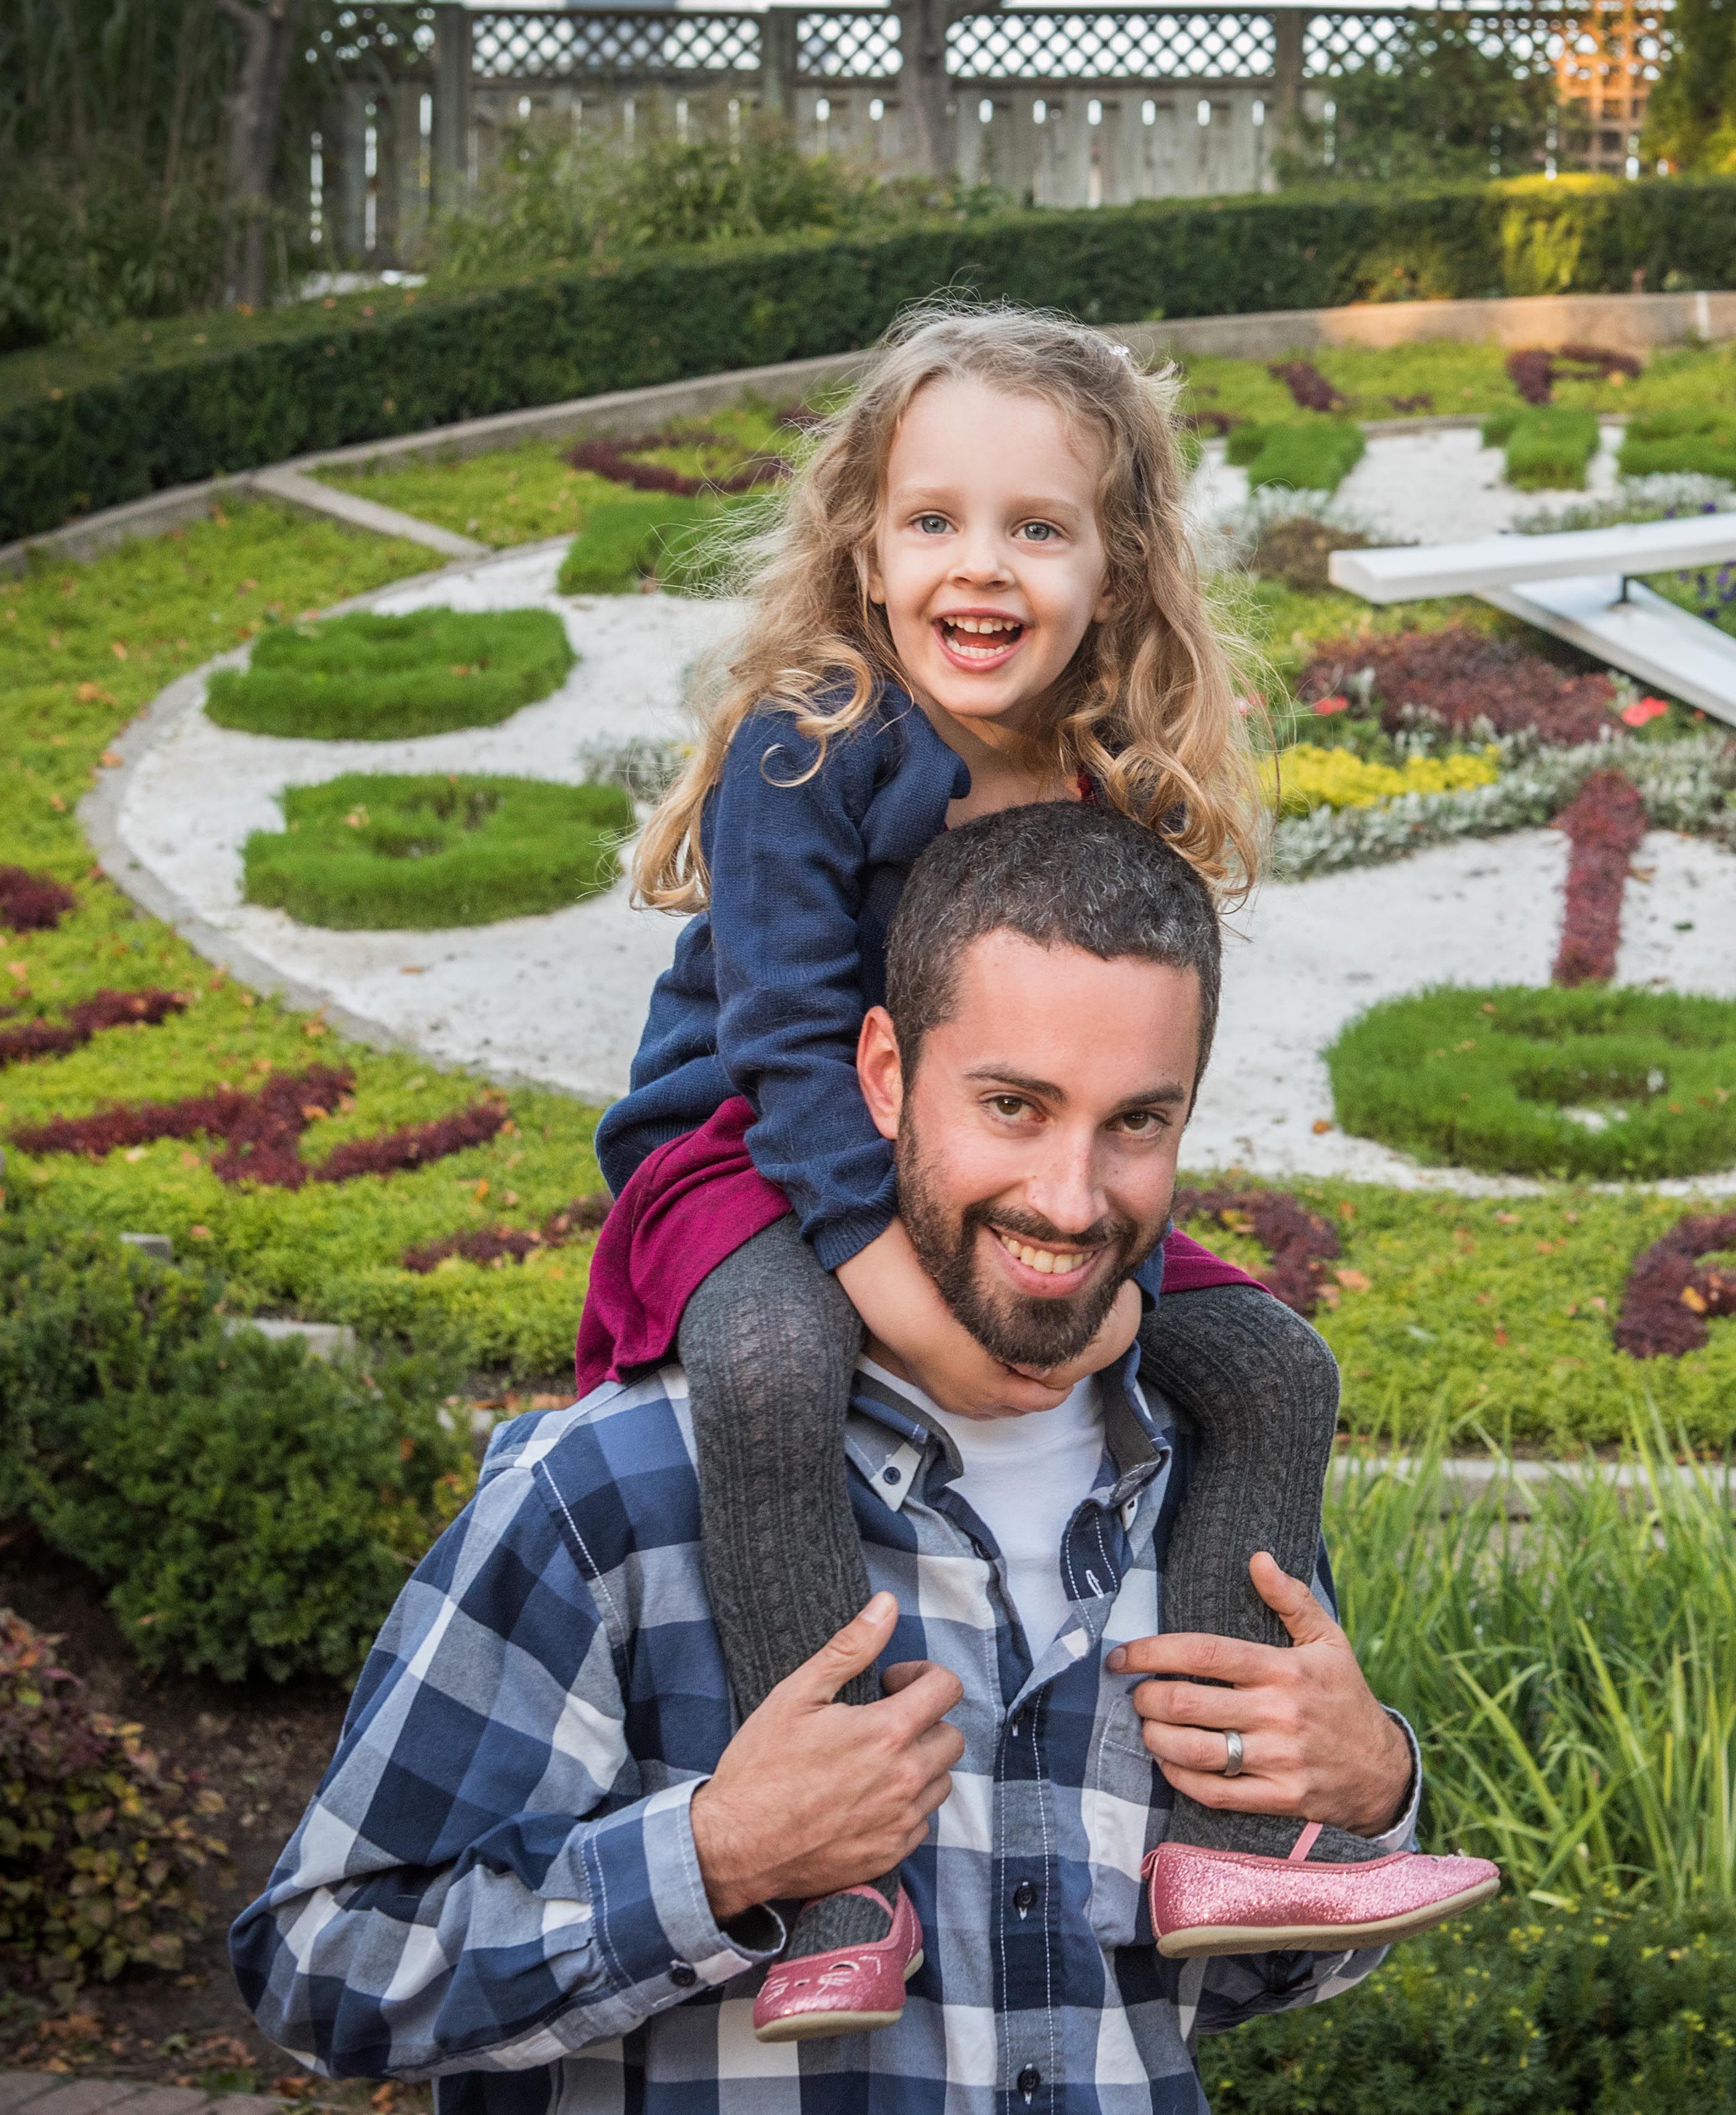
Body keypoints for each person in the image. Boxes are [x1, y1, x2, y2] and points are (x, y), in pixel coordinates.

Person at [230, 801, 1498, 2113]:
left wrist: (1366, 1798)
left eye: (1136, 1123)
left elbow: (1230, 1981)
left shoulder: (1209, 1483)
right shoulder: (616, 1492)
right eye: (1012, 1106)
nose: (1071, 1198)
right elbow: (321, 1971)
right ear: (882, 1076)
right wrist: (717, 1860)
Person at [577, 301, 1489, 2038]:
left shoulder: (1096, 775)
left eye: (1036, 527)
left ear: (1115, 563)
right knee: (769, 1364)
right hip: (749, 1147)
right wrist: (911, 1308)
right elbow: (787, 1047)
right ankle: (832, 1886)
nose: (979, 565)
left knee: (1272, 1368)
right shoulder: (809, 737)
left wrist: (1084, 1261)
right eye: (933, 520)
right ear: (865, 549)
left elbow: (1104, 1075)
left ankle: (1233, 1844)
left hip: (986, 1169)